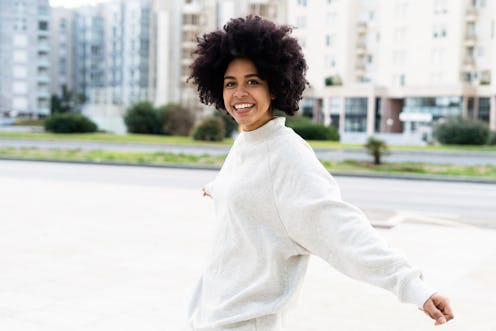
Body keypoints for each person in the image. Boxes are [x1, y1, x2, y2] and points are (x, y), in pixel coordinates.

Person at [186, 15, 454, 331]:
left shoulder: (287, 154)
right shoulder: (249, 141)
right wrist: (220, 188)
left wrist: (414, 287)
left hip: (245, 322)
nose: (239, 93)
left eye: (253, 81)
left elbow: (340, 230)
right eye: (231, 83)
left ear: (275, 87)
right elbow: (253, 186)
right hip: (212, 316)